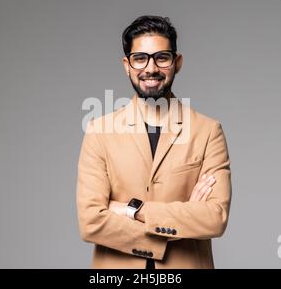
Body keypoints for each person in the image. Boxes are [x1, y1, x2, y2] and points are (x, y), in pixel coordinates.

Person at [76, 15, 232, 269]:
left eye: (162, 57)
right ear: (127, 65)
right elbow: (90, 221)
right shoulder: (99, 132)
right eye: (140, 58)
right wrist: (180, 223)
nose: (150, 68)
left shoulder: (207, 131)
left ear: (177, 62)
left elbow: (214, 218)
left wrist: (132, 210)